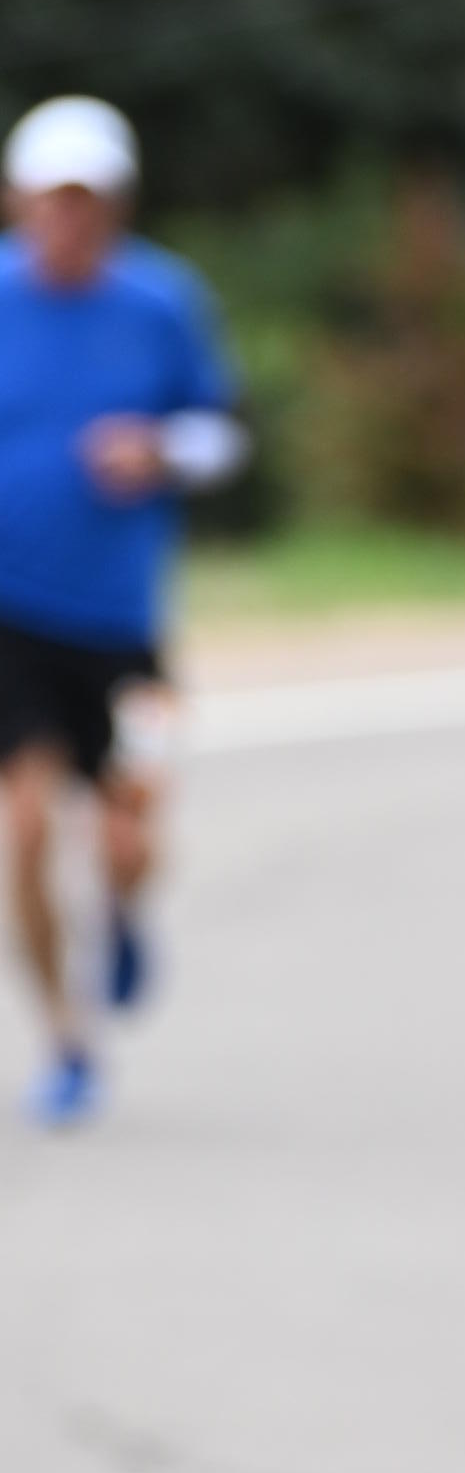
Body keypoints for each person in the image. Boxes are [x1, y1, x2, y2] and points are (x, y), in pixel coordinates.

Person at [0, 96, 247, 1129]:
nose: (68, 220)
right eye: (51, 200)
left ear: (116, 206)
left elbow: (222, 434)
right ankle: (67, 1040)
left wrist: (161, 451)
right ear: (19, 202)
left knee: (130, 834)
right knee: (23, 826)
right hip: (12, 614)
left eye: (87, 202)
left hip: (123, 618)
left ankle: (126, 911)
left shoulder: (160, 301)